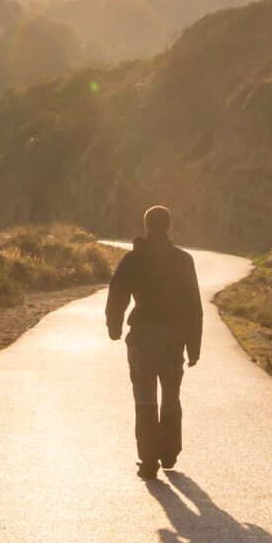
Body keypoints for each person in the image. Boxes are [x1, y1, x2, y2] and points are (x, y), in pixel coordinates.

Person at [106, 205, 202, 482]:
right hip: (173, 340)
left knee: (144, 398)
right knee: (170, 396)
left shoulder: (133, 259)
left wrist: (114, 325)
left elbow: (117, 294)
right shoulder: (183, 260)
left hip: (142, 340)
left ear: (146, 225)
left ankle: (149, 462)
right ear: (169, 226)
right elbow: (194, 306)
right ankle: (169, 452)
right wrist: (194, 346)